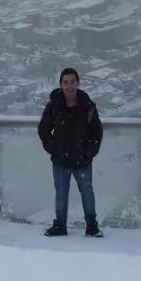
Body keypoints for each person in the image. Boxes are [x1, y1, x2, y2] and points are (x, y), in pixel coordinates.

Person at [38, 67, 104, 237]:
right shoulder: (54, 106)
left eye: (72, 82)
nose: (69, 86)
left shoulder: (88, 106)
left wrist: (88, 153)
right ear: (61, 84)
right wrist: (54, 149)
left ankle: (91, 226)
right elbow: (44, 130)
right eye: (65, 82)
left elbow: (97, 133)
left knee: (87, 194)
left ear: (78, 83)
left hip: (82, 161)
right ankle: (60, 225)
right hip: (60, 161)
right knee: (61, 194)